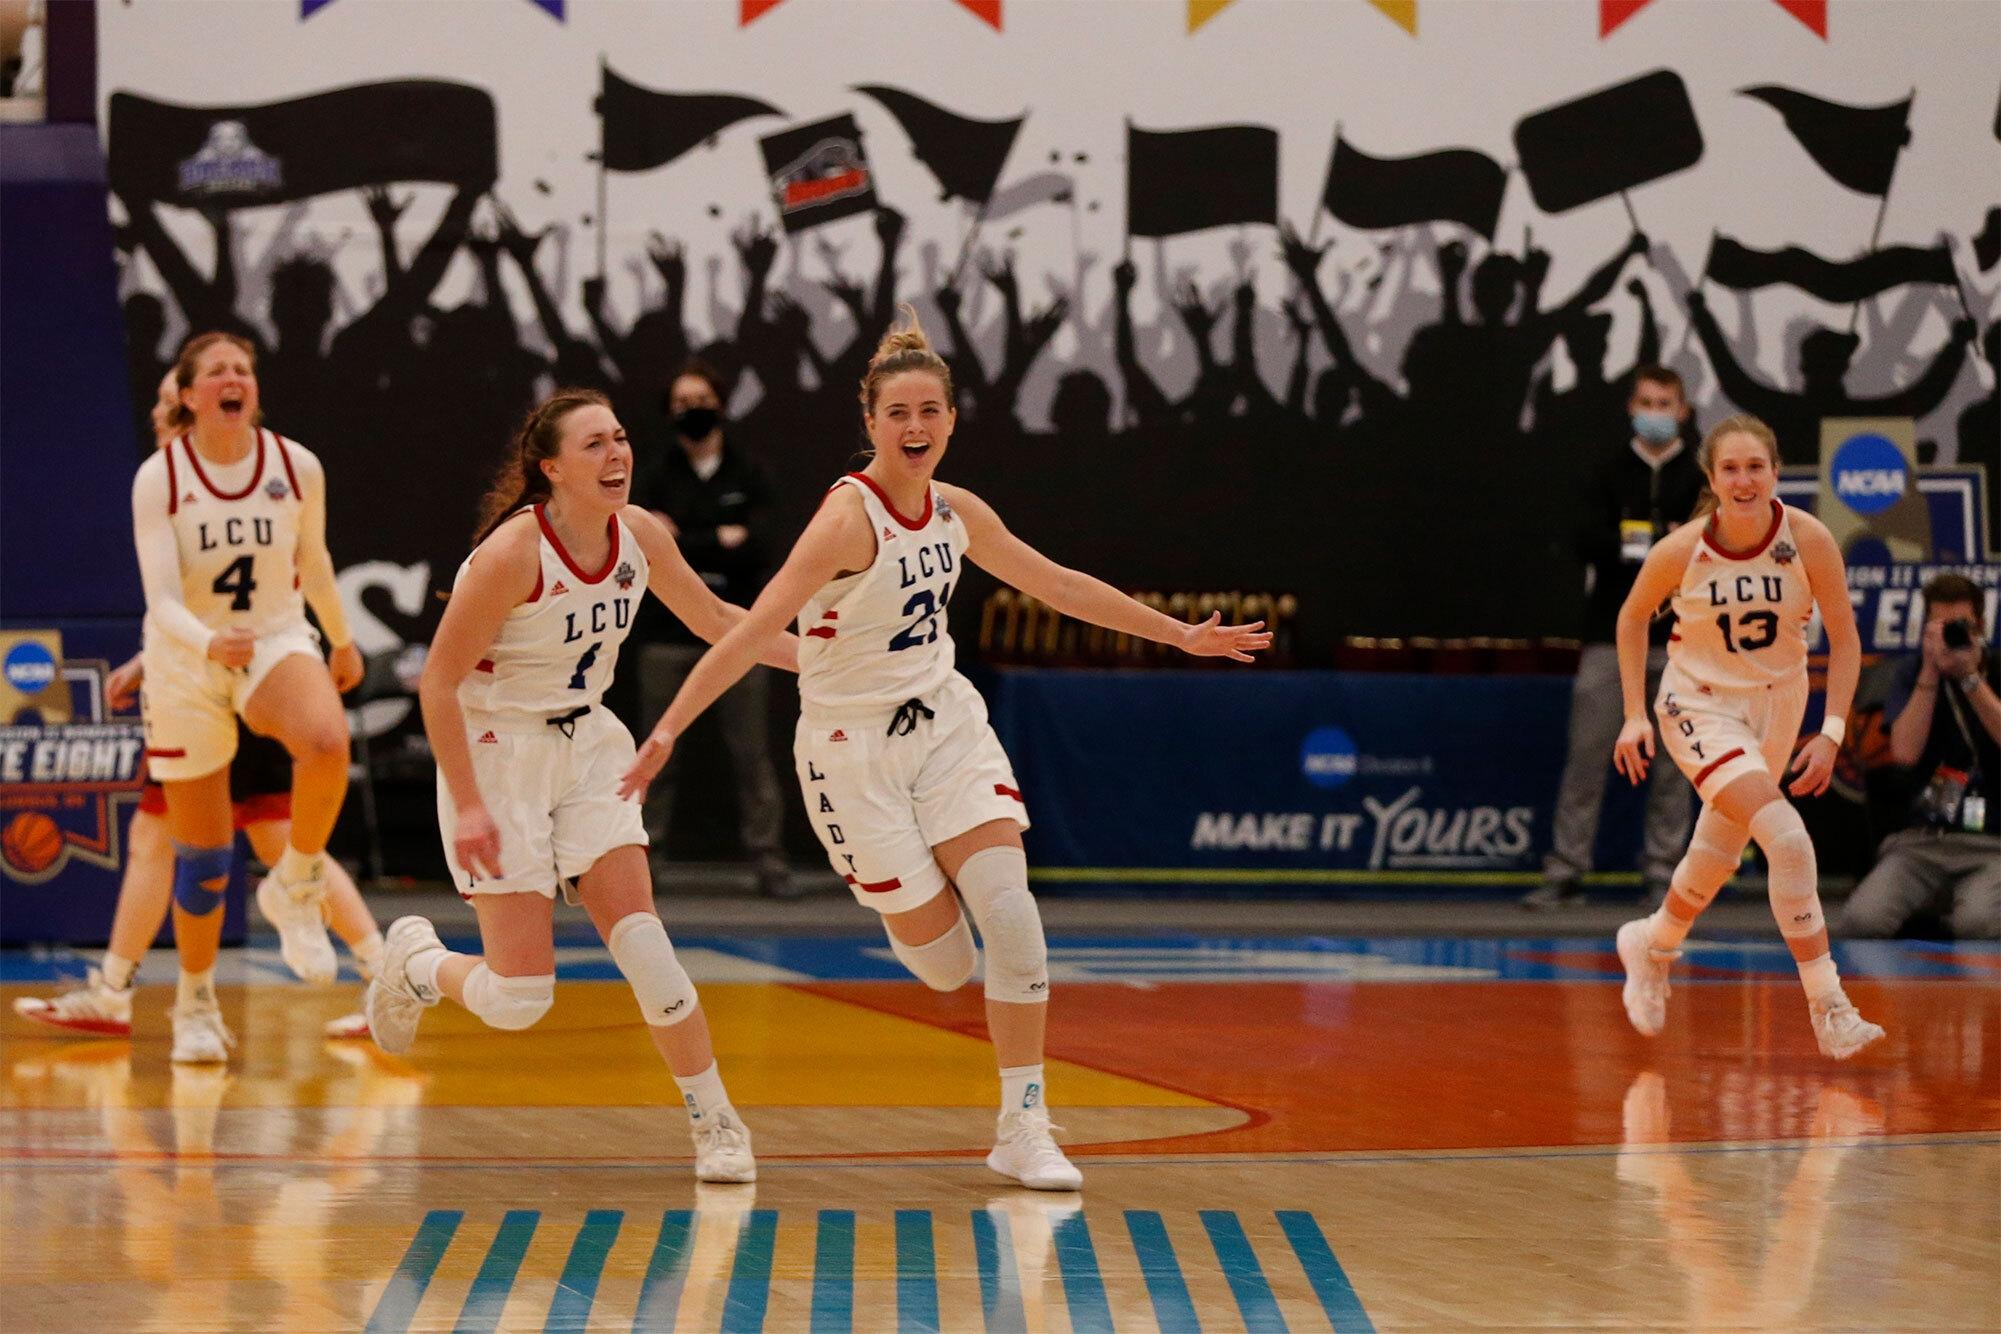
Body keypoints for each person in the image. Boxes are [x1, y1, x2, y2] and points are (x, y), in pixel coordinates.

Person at [620, 311, 1272, 1190]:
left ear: (953, 420)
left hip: (945, 725)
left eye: (931, 410)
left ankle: (1022, 1122)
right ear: (871, 424)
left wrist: (1176, 636)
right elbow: (745, 634)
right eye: (898, 413)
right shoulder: (844, 520)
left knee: (1012, 919)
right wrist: (665, 732)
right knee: (945, 964)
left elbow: (1058, 584)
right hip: (850, 755)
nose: (916, 427)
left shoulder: (958, 511)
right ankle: (918, 910)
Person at [361, 388, 799, 1183]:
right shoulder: (509, 556)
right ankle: (416, 961)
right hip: (499, 753)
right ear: (551, 468)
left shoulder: (640, 533)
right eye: (595, 444)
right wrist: (465, 804)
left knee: (645, 943)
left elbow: (711, 619)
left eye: (622, 438)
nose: (618, 454)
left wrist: (819, 658)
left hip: (589, 743)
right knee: (518, 999)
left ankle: (716, 1123)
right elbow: (438, 683)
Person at [1610, 414, 1884, 1060]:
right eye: (1729, 469)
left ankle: (1650, 943)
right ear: (1711, 478)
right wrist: (1632, 714)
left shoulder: (1807, 538)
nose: (1742, 480)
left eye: (1754, 467)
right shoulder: (1682, 550)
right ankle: (1828, 1004)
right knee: (1786, 839)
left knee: (1717, 852)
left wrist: (1832, 731)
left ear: (1774, 471)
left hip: (1778, 703)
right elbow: (1629, 618)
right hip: (1697, 703)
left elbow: (1844, 640)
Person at [129, 335, 363, 1063]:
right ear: (191, 395)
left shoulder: (296, 466)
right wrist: (205, 644)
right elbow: (162, 596)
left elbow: (316, 562)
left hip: (270, 635)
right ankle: (194, 1004)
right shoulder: (159, 477)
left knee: (327, 744)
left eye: (244, 370)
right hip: (185, 656)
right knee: (201, 856)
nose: (234, 379)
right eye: (217, 371)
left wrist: (343, 638)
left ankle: (295, 882)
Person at [13, 654, 383, 1039]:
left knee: (161, 837)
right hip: (258, 670)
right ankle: (385, 974)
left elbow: (200, 604)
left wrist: (149, 658)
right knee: (274, 838)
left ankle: (128, 994)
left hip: (211, 681)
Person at [1526, 367, 1703, 909]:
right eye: (1647, 401)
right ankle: (1567, 868)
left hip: (1681, 640)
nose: (1656, 410)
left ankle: (1664, 871)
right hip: (1610, 636)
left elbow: (1708, 545)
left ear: (1683, 411)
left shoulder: (1701, 476)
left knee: (1677, 762)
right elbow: (1587, 539)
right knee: (1588, 755)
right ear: (1631, 407)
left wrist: (1664, 544)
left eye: (1665, 402)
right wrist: (1655, 540)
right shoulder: (1605, 471)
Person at [630, 360, 792, 897]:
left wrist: (688, 540)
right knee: (656, 749)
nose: (691, 410)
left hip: (739, 633)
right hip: (664, 635)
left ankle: (769, 861)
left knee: (752, 754)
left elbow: (761, 547)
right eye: (680, 403)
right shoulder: (653, 475)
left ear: (722, 404)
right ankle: (642, 862)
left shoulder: (751, 472)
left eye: (700, 399)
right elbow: (652, 549)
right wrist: (717, 538)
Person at [1840, 574, 2000, 938]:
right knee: (1862, 921)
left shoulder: (1997, 670)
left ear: (1981, 626)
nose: (1952, 635)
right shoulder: (1911, 673)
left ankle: (1953, 909)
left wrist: (1971, 678)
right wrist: (1930, 671)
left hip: (1992, 844)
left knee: (1978, 924)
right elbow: (1905, 752)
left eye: (1962, 626)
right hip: (1922, 842)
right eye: (1941, 627)